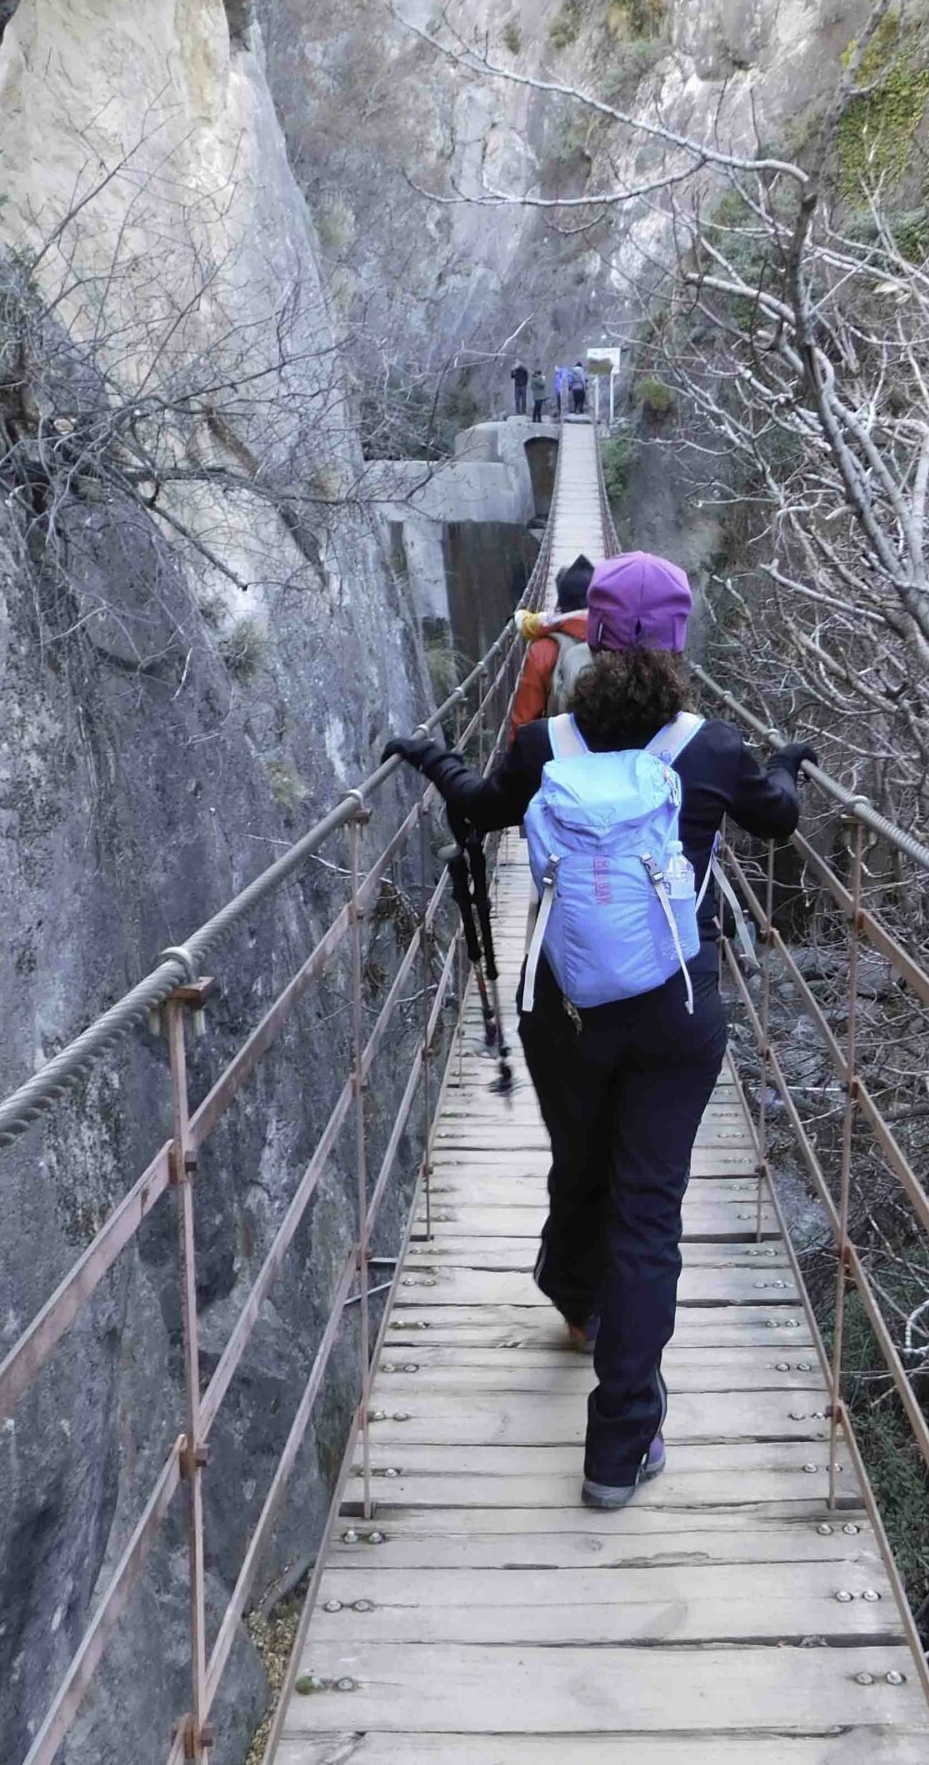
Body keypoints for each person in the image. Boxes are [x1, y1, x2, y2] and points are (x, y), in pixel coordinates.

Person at [384, 555, 811, 1508]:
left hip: (564, 1007)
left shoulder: (545, 745)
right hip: (676, 1013)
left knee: (583, 1166)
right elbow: (778, 821)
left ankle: (575, 1296)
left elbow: (481, 809)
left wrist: (430, 756)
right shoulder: (712, 748)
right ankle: (619, 1448)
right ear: (677, 645)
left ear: (590, 638)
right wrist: (781, 764)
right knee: (648, 1212)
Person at [507, 555, 595, 740]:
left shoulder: (543, 650)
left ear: (561, 604)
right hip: (614, 755)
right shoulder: (624, 641)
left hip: (560, 755)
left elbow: (524, 721)